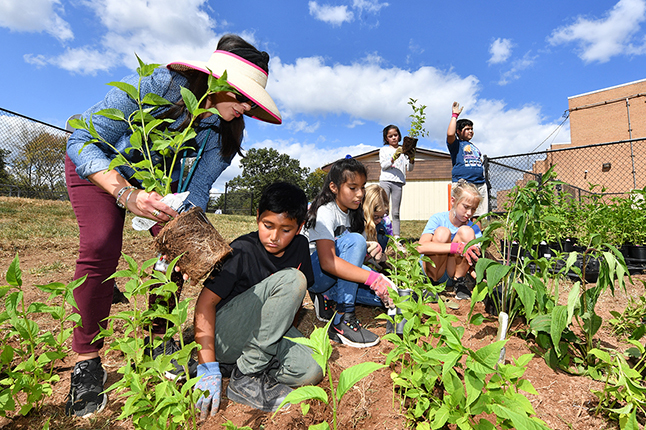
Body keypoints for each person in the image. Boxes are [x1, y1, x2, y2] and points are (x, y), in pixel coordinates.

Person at [64, 34, 282, 418]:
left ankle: (158, 342)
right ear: (217, 82)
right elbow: (83, 140)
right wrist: (127, 196)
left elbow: (194, 193)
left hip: (157, 192)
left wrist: (180, 242)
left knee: (181, 252)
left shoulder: (223, 136)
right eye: (242, 96)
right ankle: (87, 361)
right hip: (102, 171)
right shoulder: (161, 87)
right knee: (100, 247)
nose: (247, 108)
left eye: (253, 101)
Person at [193, 182, 322, 417]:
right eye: (268, 225)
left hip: (260, 337)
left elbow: (290, 309)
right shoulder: (241, 250)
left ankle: (239, 367)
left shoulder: (301, 247)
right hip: (226, 334)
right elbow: (205, 303)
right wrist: (207, 365)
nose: (274, 236)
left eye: (286, 229)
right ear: (257, 218)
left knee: (312, 369)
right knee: (293, 279)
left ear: (299, 227)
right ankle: (245, 377)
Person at [303, 157, 394, 348]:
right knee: (355, 240)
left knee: (395, 296)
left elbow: (352, 261)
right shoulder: (325, 212)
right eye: (353, 188)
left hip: (339, 280)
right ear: (334, 187)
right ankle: (344, 317)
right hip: (317, 274)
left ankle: (328, 297)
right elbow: (328, 262)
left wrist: (372, 257)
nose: (360, 194)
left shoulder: (355, 214)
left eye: (362, 187)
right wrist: (373, 278)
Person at [416, 179, 482, 301]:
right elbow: (420, 247)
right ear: (453, 201)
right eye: (466, 207)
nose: (469, 213)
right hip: (434, 269)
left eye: (473, 209)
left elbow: (475, 259)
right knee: (442, 232)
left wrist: (482, 279)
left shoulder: (474, 229)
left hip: (453, 272)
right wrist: (456, 248)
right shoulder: (438, 219)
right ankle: (431, 283)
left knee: (466, 231)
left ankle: (460, 283)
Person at [446, 102, 488, 224]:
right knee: (462, 214)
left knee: (477, 214)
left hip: (479, 183)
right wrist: (454, 115)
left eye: (471, 129)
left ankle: (477, 239)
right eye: (467, 129)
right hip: (464, 182)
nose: (470, 131)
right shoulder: (456, 145)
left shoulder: (474, 147)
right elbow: (450, 134)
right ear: (458, 131)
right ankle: (460, 238)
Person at [379, 124, 414, 240]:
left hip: (398, 182)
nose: (394, 138)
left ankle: (396, 237)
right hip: (386, 181)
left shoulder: (404, 152)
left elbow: (410, 168)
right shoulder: (384, 150)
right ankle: (383, 235)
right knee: (383, 209)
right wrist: (394, 156)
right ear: (386, 139)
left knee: (396, 212)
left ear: (399, 136)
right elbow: (384, 166)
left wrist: (412, 158)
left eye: (396, 135)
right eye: (390, 136)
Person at [362, 184, 390, 267]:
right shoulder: (356, 226)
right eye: (376, 217)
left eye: (382, 216)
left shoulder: (382, 228)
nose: (379, 220)